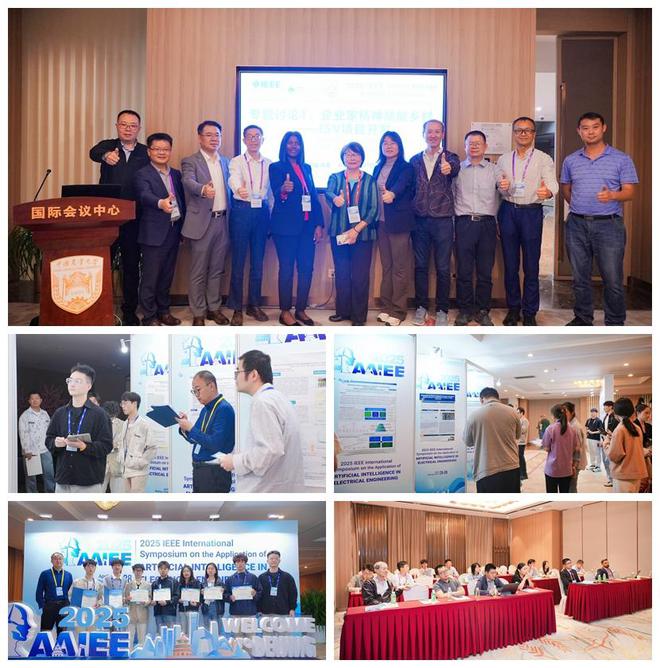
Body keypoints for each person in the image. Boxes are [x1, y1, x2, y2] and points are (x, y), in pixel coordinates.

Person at [560, 112, 639, 326]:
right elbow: (566, 188)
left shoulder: (621, 159)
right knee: (580, 278)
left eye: (595, 127)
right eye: (585, 128)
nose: (590, 132)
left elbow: (630, 192)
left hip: (609, 225)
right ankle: (583, 318)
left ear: (603, 128)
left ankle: (615, 322)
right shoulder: (571, 160)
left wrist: (612, 195)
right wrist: (579, 206)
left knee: (612, 278)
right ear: (579, 131)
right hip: (576, 224)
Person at [89, 109, 149, 325]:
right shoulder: (108, 146)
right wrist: (105, 155)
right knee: (103, 264)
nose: (128, 129)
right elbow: (93, 152)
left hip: (134, 218)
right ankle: (98, 308)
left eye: (133, 125)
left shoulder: (145, 152)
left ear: (139, 129)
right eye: (123, 124)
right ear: (117, 126)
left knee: (131, 266)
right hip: (108, 219)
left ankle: (129, 310)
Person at [497, 117, 558, 326]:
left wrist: (547, 191)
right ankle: (514, 309)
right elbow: (499, 184)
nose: (523, 134)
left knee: (531, 265)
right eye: (519, 130)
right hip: (508, 211)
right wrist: (502, 186)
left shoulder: (543, 158)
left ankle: (530, 311)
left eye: (527, 130)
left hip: (531, 213)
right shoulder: (504, 159)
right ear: (513, 134)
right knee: (510, 264)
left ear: (534, 134)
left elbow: (552, 183)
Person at [220, 350, 304, 492]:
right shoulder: (277, 398)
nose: (235, 378)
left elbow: (270, 450)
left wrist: (234, 461)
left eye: (238, 372)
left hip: (265, 491)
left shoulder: (263, 402)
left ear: (253, 375)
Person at [269, 131, 324, 326]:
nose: (294, 146)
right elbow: (276, 195)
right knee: (286, 269)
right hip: (285, 228)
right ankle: (285, 311)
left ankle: (300, 309)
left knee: (306, 269)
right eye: (290, 143)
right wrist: (283, 190)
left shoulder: (306, 168)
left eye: (297, 143)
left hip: (307, 227)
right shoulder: (276, 167)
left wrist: (319, 224)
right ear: (284, 146)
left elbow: (313, 197)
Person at [181, 120, 232, 327]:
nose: (214, 139)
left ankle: (214, 308)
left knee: (217, 269)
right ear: (200, 137)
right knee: (198, 271)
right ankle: (198, 312)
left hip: (224, 222)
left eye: (217, 135)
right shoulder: (190, 161)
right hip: (202, 223)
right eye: (209, 135)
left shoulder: (227, 162)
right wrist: (203, 189)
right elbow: (188, 181)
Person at [410, 119, 460, 326]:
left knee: (443, 268)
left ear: (443, 134)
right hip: (419, 220)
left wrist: (449, 168)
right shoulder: (414, 160)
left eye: (437, 131)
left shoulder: (451, 157)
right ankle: (421, 307)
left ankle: (442, 309)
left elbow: (455, 169)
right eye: (429, 131)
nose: (433, 135)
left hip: (443, 220)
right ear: (423, 134)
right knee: (420, 266)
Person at [134, 132, 186, 326]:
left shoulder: (176, 174)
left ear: (170, 151)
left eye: (165, 149)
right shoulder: (142, 174)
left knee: (166, 276)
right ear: (149, 151)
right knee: (150, 277)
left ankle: (164, 311)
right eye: (157, 149)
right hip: (153, 233)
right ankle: (149, 316)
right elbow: (144, 195)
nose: (161, 152)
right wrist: (160, 203)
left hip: (174, 230)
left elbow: (182, 201)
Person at [453, 130, 503, 326]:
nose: (474, 146)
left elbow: (504, 192)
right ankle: (465, 310)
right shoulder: (457, 170)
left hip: (487, 224)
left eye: (478, 143)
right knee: (464, 271)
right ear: (465, 146)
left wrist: (507, 186)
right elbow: (451, 196)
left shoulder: (494, 170)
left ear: (485, 147)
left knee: (485, 271)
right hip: (464, 223)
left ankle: (483, 310)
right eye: (470, 143)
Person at [325, 142, 379, 326]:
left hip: (363, 235)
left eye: (355, 154)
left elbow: (374, 210)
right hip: (339, 233)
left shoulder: (370, 180)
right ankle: (343, 311)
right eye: (348, 155)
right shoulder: (335, 177)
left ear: (362, 158)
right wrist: (335, 198)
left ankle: (358, 316)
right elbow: (328, 192)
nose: (352, 158)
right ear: (343, 158)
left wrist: (356, 230)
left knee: (360, 277)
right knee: (342, 274)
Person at [227, 125, 271, 325]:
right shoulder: (236, 161)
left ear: (263, 139)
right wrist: (239, 189)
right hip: (242, 211)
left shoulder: (269, 164)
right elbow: (233, 179)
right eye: (250, 137)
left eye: (257, 136)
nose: (254, 140)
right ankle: (236, 308)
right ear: (244, 140)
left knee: (258, 262)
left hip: (262, 212)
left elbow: (272, 192)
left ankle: (254, 305)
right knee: (238, 262)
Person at [45, 364, 113, 493]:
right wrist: (55, 443)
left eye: (78, 381)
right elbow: (48, 439)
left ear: (88, 386)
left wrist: (84, 447)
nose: (72, 384)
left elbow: (106, 446)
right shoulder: (60, 413)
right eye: (70, 380)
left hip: (88, 482)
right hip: (62, 480)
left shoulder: (100, 415)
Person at [373, 131, 416, 326]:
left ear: (399, 146)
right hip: (381, 223)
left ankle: (398, 311)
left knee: (400, 268)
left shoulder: (406, 167)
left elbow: (401, 185)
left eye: (392, 143)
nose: (388, 146)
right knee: (387, 267)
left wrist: (392, 194)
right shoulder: (378, 167)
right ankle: (386, 307)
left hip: (399, 223)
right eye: (385, 143)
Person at [176, 370, 235, 493]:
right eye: (194, 391)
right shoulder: (205, 410)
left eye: (198, 390)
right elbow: (196, 438)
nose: (196, 395)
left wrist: (191, 428)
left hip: (214, 472)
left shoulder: (223, 409)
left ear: (211, 386)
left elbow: (215, 444)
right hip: (200, 469)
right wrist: (185, 428)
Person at [464, 387, 521, 492]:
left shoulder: (474, 415)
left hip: (486, 469)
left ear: (482, 399)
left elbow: (468, 441)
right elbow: (517, 436)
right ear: (497, 398)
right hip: (511, 466)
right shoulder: (513, 412)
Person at [604, 397, 647, 492]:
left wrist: (606, 443)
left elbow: (615, 456)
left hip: (624, 474)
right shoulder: (637, 428)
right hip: (636, 472)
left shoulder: (620, 429)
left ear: (616, 413)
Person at [117, 391, 157, 492]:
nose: (123, 406)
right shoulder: (125, 424)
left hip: (138, 471)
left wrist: (140, 462)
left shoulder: (144, 424)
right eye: (122, 403)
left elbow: (152, 447)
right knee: (127, 498)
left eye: (125, 403)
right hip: (125, 469)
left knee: (136, 498)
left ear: (134, 404)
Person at [18, 391, 54, 492]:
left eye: (37, 398)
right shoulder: (25, 416)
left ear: (41, 400)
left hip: (45, 450)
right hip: (31, 451)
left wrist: (51, 446)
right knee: (31, 478)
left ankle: (50, 494)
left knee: (49, 475)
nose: (35, 400)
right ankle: (32, 496)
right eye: (32, 399)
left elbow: (50, 431)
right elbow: (22, 433)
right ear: (29, 401)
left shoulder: (45, 414)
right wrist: (26, 450)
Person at [542, 404, 580, 493]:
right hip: (567, 469)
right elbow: (575, 448)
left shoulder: (550, 429)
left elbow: (546, 448)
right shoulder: (572, 430)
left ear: (553, 415)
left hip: (553, 469)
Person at [35, 552, 73, 634]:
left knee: (62, 634)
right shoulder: (45, 574)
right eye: (55, 559)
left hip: (64, 607)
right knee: (45, 633)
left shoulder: (68, 575)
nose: (58, 561)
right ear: (51, 561)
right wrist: (43, 606)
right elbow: (39, 591)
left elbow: (71, 592)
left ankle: (60, 643)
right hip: (49, 606)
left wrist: (69, 605)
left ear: (63, 561)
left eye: (60, 559)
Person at [257, 550, 298, 616]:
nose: (274, 560)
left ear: (279, 561)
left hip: (284, 612)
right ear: (267, 561)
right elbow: (259, 595)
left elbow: (293, 594)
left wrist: (292, 609)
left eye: (276, 558)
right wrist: (259, 610)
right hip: (265, 612)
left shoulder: (287, 577)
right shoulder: (261, 577)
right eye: (271, 558)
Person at [123, 563, 150, 649]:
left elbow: (150, 598)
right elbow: (125, 599)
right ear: (133, 572)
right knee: (129, 636)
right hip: (131, 613)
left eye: (139, 571)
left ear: (142, 572)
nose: (138, 572)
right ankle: (129, 653)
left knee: (142, 637)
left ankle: (141, 653)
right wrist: (127, 599)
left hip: (142, 613)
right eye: (136, 571)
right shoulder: (128, 585)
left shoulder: (147, 585)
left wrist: (146, 602)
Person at [564, 401, 588, 493]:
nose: (563, 414)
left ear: (572, 412)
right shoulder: (570, 424)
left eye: (566, 411)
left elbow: (578, 448)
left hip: (575, 463)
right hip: (572, 462)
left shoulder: (575, 426)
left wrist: (574, 465)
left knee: (571, 487)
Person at [102, 400, 124, 493]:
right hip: (102, 464)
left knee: (118, 493)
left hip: (117, 464)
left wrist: (117, 445)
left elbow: (125, 443)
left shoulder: (123, 424)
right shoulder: (99, 424)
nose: (110, 418)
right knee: (97, 493)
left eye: (112, 417)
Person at [151, 560, 179, 628]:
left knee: (170, 632)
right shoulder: (155, 583)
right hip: (158, 612)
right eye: (161, 569)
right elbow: (152, 597)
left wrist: (167, 602)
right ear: (158, 570)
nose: (163, 570)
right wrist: (153, 601)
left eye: (165, 569)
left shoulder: (173, 582)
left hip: (169, 612)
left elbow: (177, 596)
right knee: (159, 632)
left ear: (168, 570)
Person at [177, 564, 201, 636]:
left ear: (191, 572)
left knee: (192, 631)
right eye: (184, 571)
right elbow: (176, 595)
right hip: (182, 610)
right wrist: (179, 600)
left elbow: (200, 597)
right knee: (183, 632)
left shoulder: (196, 583)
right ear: (182, 573)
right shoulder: (180, 584)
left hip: (192, 609)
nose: (186, 573)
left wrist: (197, 603)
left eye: (188, 571)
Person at [601, 400, 619, 487]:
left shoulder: (614, 417)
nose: (604, 408)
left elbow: (613, 430)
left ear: (610, 407)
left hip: (611, 441)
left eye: (605, 406)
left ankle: (612, 480)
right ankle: (610, 479)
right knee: (605, 462)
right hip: (605, 440)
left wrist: (609, 434)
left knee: (610, 462)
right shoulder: (606, 416)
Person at [201, 563, 225, 629]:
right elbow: (200, 599)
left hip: (216, 606)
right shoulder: (203, 583)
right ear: (206, 571)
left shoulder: (220, 583)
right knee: (207, 628)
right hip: (206, 606)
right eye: (208, 569)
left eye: (212, 569)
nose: (210, 570)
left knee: (217, 628)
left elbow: (225, 596)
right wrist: (201, 594)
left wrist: (223, 592)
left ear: (215, 571)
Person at [586, 407, 604, 472]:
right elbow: (587, 427)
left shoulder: (599, 421)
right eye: (591, 412)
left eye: (594, 412)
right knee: (591, 452)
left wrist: (592, 432)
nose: (592, 413)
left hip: (596, 439)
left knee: (597, 452)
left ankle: (598, 466)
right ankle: (593, 464)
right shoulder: (588, 420)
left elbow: (600, 431)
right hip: (589, 438)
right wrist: (588, 431)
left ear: (596, 413)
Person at [517, 407, 529, 481]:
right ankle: (520, 473)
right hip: (517, 442)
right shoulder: (518, 420)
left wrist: (516, 426)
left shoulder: (525, 420)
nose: (517, 414)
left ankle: (524, 474)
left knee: (521, 457)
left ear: (522, 413)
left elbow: (523, 430)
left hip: (521, 442)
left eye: (518, 413)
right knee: (518, 458)